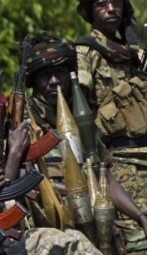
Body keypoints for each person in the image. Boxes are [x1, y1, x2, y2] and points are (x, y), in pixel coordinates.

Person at [25, 33, 147, 252]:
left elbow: (105, 177)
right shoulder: (25, 124)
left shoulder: (80, 119)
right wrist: (78, 191)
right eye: (45, 76)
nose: (54, 82)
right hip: (54, 231)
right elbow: (26, 186)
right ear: (34, 81)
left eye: (60, 73)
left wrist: (140, 216)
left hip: (98, 225)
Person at [0, 85, 103, 254]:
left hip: (15, 231)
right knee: (66, 242)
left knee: (77, 238)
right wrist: (14, 154)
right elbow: (4, 203)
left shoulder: (2, 144)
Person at [74, 0, 147, 251]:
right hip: (118, 162)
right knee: (137, 240)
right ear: (90, 10)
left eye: (116, 2)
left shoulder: (134, 54)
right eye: (102, 4)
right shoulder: (86, 53)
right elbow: (78, 110)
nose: (111, 9)